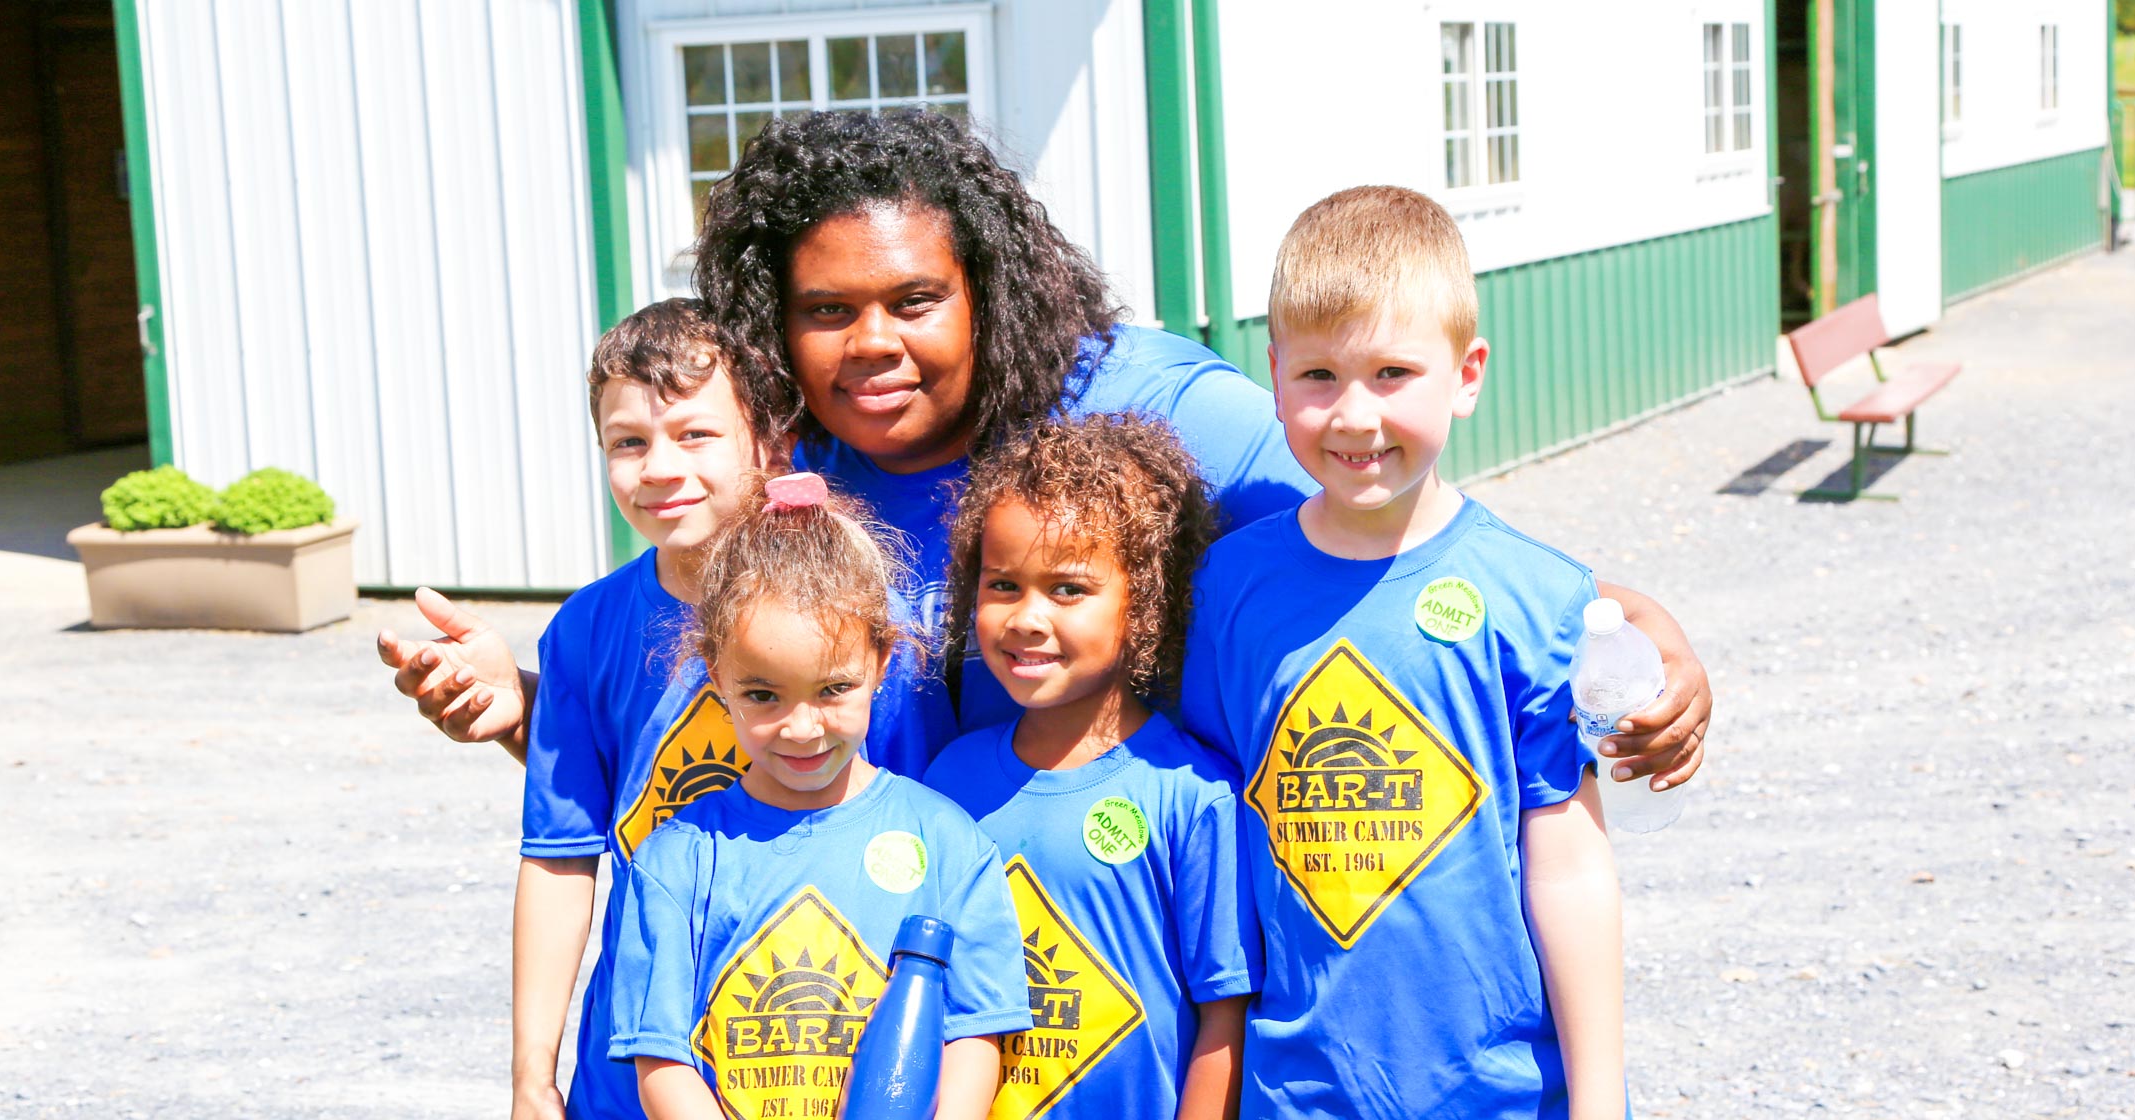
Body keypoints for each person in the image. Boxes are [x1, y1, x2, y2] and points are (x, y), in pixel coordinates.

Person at [382, 112, 1708, 784]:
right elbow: (691, 716)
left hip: (1128, 941)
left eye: (916, 302)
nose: (873, 346)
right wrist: (525, 706)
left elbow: (1385, 510)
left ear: (988, 288)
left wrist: (1605, 615)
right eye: (826, 313)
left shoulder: (1151, 411)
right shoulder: (778, 475)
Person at [1180, 187, 1626, 1117]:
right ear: (1271, 375)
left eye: (1392, 373)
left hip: (1499, 1093)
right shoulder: (1226, 589)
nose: (1353, 415)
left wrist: (1600, 1098)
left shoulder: (1538, 599)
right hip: (1293, 1092)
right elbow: (1207, 837)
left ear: (1467, 374)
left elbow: (1571, 867)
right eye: (1317, 377)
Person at [455, 301, 951, 1120]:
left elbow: (928, 843)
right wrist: (531, 1076)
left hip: (828, 1052)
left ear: (770, 444)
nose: (656, 466)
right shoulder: (584, 631)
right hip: (636, 1060)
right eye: (628, 441)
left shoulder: (867, 622)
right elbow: (559, 857)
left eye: (694, 434)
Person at [605, 475, 1030, 1120]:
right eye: (763, 695)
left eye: (833, 689)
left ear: (882, 662)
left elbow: (975, 1032)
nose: (802, 729)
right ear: (716, 674)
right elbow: (662, 1063)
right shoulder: (676, 863)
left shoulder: (947, 841)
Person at [923, 416, 1255, 1120]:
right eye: (1004, 585)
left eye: (1069, 590)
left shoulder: (1194, 796)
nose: (1027, 618)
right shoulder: (945, 784)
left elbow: (1224, 1020)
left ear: (1145, 604)